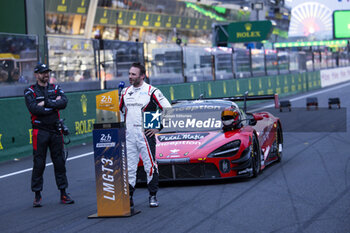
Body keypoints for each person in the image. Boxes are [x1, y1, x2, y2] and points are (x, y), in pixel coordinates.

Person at [119, 62, 171, 209]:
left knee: (150, 166)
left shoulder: (152, 91)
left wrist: (158, 127)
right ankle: (129, 198)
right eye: (129, 74)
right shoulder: (124, 92)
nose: (130, 76)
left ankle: (152, 195)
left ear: (142, 76)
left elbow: (168, 109)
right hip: (129, 136)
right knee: (130, 167)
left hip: (145, 135)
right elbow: (121, 112)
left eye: (133, 74)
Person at [24, 63, 74, 207]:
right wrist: (53, 104)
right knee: (39, 163)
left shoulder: (55, 87)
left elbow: (64, 102)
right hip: (39, 131)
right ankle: (37, 195)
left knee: (59, 162)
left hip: (55, 130)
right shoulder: (30, 90)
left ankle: (64, 193)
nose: (46, 75)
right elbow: (34, 109)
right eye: (42, 72)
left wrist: (45, 103)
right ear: (36, 74)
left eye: (47, 72)